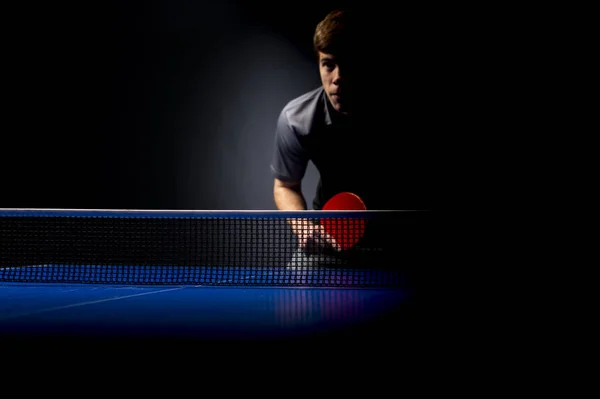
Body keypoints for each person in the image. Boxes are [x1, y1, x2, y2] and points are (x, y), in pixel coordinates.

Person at [270, 8, 431, 265]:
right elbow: (285, 185)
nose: (338, 78)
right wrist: (303, 227)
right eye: (328, 64)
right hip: (332, 239)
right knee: (296, 297)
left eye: (348, 63)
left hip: (399, 242)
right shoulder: (298, 119)